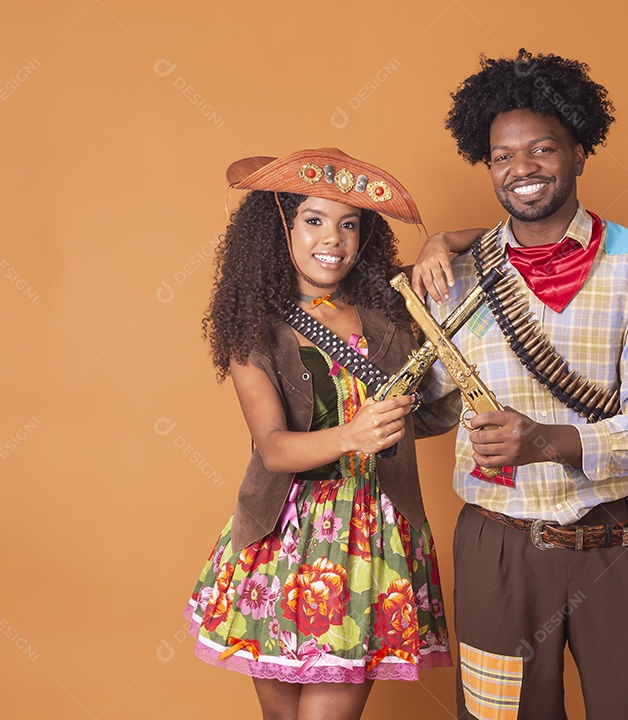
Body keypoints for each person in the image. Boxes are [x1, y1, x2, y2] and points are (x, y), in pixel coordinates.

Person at [412, 50, 628, 719]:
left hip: (624, 544)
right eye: (502, 157)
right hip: (497, 547)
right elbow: (429, 414)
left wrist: (547, 440)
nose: (522, 169)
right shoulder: (460, 274)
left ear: (579, 150)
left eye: (542, 149)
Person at [185, 148, 452, 720]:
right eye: (314, 219)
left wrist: (441, 244)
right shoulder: (253, 325)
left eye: (349, 224)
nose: (334, 238)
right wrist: (353, 434)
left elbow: (503, 242)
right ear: (278, 229)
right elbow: (274, 447)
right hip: (279, 541)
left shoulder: (395, 307)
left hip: (369, 540)